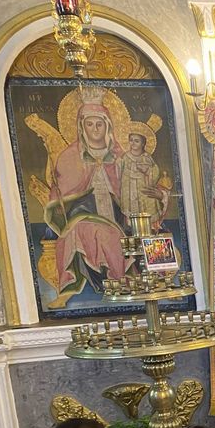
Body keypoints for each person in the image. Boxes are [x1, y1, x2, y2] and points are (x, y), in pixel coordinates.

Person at [46, 88, 131, 307]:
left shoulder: (120, 156)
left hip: (119, 216)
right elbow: (60, 193)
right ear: (81, 127)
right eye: (89, 124)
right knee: (83, 232)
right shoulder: (69, 156)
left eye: (99, 124)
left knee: (115, 233)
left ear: (108, 126)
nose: (94, 129)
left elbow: (135, 187)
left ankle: (118, 280)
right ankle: (70, 288)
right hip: (82, 214)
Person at [119, 122, 166, 221]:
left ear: (143, 143)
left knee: (146, 214)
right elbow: (119, 174)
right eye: (131, 140)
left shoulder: (147, 157)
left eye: (136, 141)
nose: (133, 143)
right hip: (129, 190)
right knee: (131, 215)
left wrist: (148, 172)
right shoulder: (125, 157)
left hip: (143, 192)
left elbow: (155, 172)